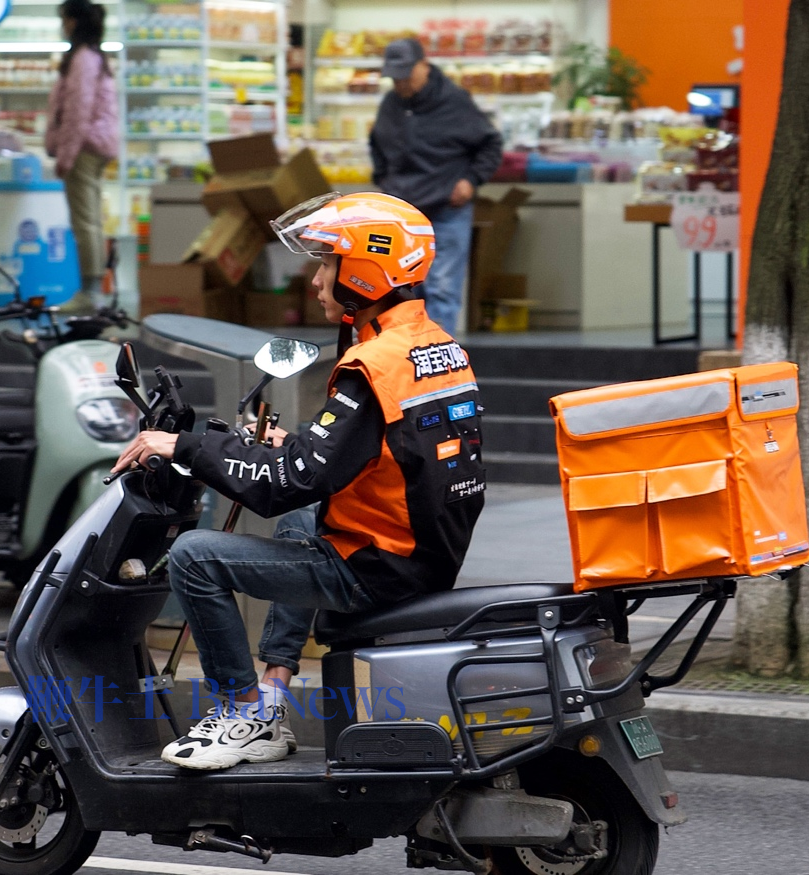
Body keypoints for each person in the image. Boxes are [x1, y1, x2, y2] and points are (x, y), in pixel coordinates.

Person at [111, 192, 486, 770]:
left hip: (378, 566)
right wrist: (295, 447)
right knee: (301, 520)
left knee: (192, 555)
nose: (315, 280)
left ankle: (241, 713)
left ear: (364, 270)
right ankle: (273, 694)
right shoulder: (434, 346)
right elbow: (380, 452)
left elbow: (281, 484)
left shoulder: (373, 365)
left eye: (327, 263)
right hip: (421, 547)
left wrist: (185, 445)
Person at [369, 38, 503, 334]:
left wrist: (470, 181)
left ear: (424, 65)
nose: (401, 82)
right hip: (402, 212)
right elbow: (377, 143)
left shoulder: (454, 101)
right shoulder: (391, 103)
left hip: (446, 209)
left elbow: (490, 145)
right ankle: (408, 355)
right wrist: (384, 180)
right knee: (403, 286)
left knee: (442, 286)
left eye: (406, 74)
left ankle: (440, 354)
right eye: (395, 76)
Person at [45, 0, 119, 314]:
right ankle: (93, 291)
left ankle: (90, 294)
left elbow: (77, 111)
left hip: (84, 147)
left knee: (85, 221)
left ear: (73, 22)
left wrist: (66, 154)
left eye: (64, 19)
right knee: (90, 220)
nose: (62, 25)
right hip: (92, 144)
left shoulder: (83, 59)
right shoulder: (93, 58)